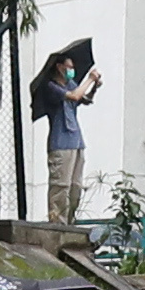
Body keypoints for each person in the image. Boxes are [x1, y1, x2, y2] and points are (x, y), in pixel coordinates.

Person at [29, 38, 101, 224]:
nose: (72, 70)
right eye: (69, 67)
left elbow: (83, 99)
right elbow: (75, 95)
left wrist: (94, 88)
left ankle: (69, 221)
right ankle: (57, 222)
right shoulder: (51, 87)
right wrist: (89, 79)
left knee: (75, 187)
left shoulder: (69, 85)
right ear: (60, 67)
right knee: (61, 186)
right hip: (60, 143)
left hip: (76, 141)